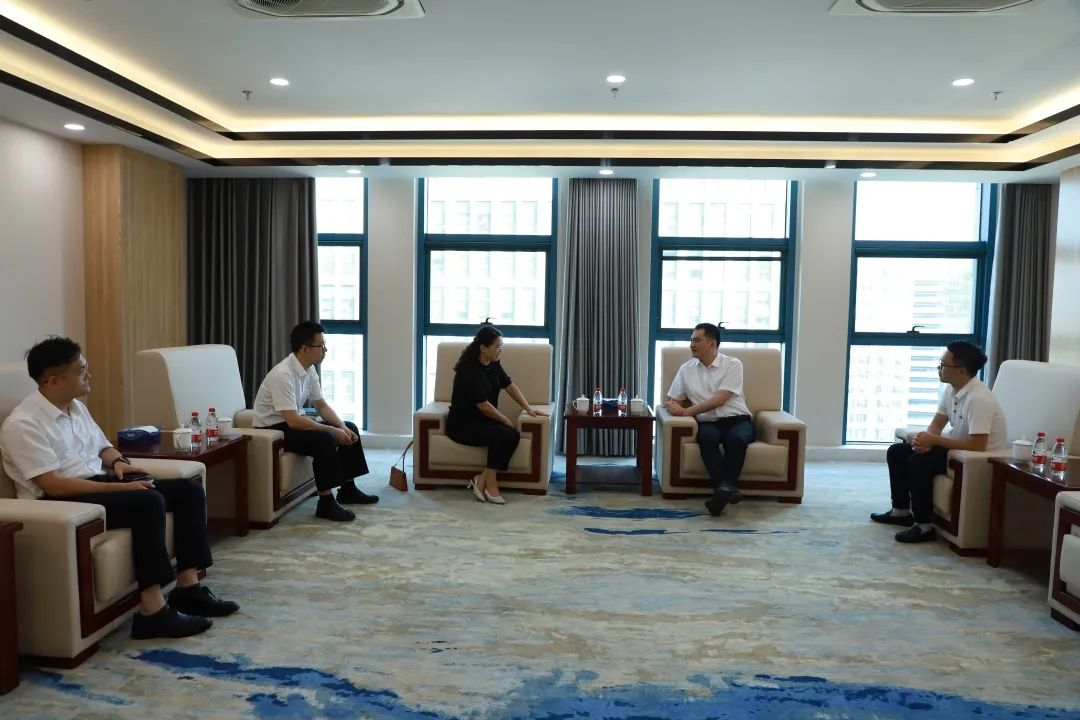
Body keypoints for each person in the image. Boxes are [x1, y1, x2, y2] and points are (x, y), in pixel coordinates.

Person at [0, 337, 238, 640]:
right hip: (64, 498)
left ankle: (188, 588)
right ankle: (153, 612)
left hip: (98, 483)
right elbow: (53, 485)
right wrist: (124, 490)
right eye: (81, 370)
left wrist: (119, 463)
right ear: (53, 380)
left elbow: (104, 447)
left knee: (188, 491)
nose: (89, 375)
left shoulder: (76, 408)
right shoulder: (24, 424)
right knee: (148, 502)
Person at [872, 341, 1007, 543]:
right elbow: (937, 423)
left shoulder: (979, 399)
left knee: (919, 462)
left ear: (961, 370)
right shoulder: (952, 390)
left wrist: (934, 440)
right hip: (954, 449)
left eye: (943, 365)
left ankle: (924, 526)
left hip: (972, 458)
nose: (939, 369)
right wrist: (923, 441)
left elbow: (978, 445)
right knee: (897, 451)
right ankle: (900, 511)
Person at [253, 321, 375, 522]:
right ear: (305, 348)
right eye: (322, 345)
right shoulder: (282, 374)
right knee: (325, 439)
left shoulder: (309, 370)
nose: (325, 350)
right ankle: (325, 503)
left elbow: (321, 406)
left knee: (349, 427)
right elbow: (293, 421)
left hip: (291, 422)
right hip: (273, 429)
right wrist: (331, 431)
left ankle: (348, 489)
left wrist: (341, 427)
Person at [446, 324, 547, 505]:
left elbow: (509, 386)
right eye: (497, 347)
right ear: (483, 348)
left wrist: (528, 408)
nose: (501, 350)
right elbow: (483, 405)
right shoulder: (468, 371)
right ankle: (491, 484)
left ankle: (484, 477)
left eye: (502, 346)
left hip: (483, 422)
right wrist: (505, 419)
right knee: (504, 433)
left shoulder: (493, 364)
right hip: (462, 425)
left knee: (512, 434)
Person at [665, 322, 755, 517]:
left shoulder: (733, 364)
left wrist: (686, 412)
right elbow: (674, 399)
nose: (691, 344)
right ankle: (727, 489)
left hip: (737, 420)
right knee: (707, 438)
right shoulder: (686, 369)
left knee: (737, 439)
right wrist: (672, 406)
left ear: (712, 343)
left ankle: (720, 494)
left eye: (697, 340)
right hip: (707, 422)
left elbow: (720, 399)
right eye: (691, 340)